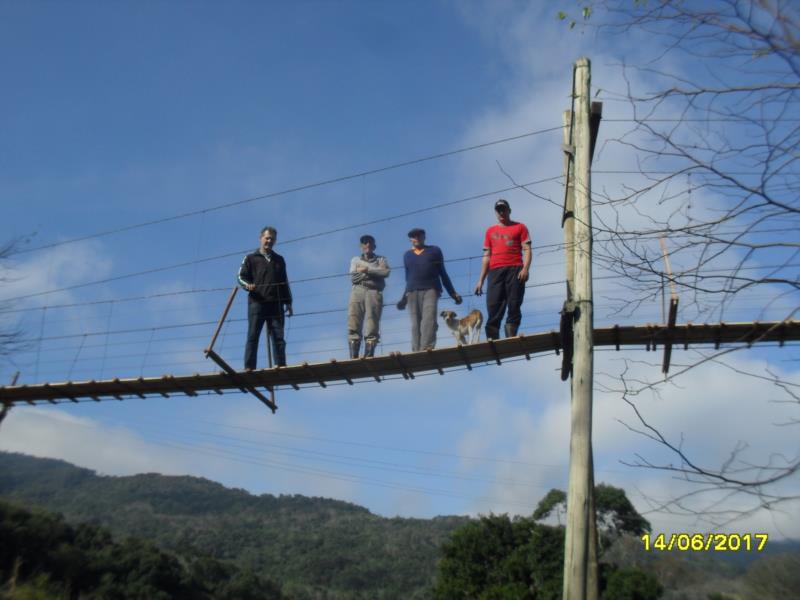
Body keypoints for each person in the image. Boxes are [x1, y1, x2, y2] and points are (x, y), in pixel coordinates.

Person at [474, 199, 532, 339]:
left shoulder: (520, 227)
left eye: (503, 209)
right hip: (495, 270)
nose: (501, 212)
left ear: (509, 211)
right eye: (498, 210)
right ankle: (493, 334)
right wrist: (480, 280)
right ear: (495, 212)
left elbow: (527, 249)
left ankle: (511, 331)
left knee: (514, 301)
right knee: (493, 303)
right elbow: (486, 256)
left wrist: (525, 269)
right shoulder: (490, 231)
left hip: (515, 268)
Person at [237, 226, 293, 369]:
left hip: (276, 303)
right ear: (261, 238)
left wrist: (288, 302)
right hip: (257, 302)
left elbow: (284, 282)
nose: (269, 241)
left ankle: (280, 364)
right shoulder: (250, 258)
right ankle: (249, 366)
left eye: (272, 239)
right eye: (267, 238)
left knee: (278, 336)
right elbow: (240, 277)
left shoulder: (279, 260)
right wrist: (247, 285)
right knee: (253, 335)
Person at [398, 228, 462, 351]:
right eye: (413, 236)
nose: (416, 238)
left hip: (431, 289)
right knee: (415, 323)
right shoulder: (407, 255)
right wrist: (403, 299)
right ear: (410, 239)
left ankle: (426, 347)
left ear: (424, 237)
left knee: (429, 319)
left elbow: (443, 273)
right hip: (412, 292)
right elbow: (408, 279)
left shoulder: (434, 250)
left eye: (418, 235)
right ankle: (416, 351)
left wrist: (453, 293)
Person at [348, 235, 391, 358]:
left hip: (374, 291)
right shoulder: (355, 260)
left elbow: (385, 272)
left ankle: (369, 353)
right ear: (361, 246)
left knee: (373, 320)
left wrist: (366, 270)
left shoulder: (381, 259)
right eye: (364, 243)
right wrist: (375, 272)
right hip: (358, 289)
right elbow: (353, 277)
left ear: (374, 246)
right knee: (353, 319)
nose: (367, 245)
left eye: (370, 243)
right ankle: (353, 355)